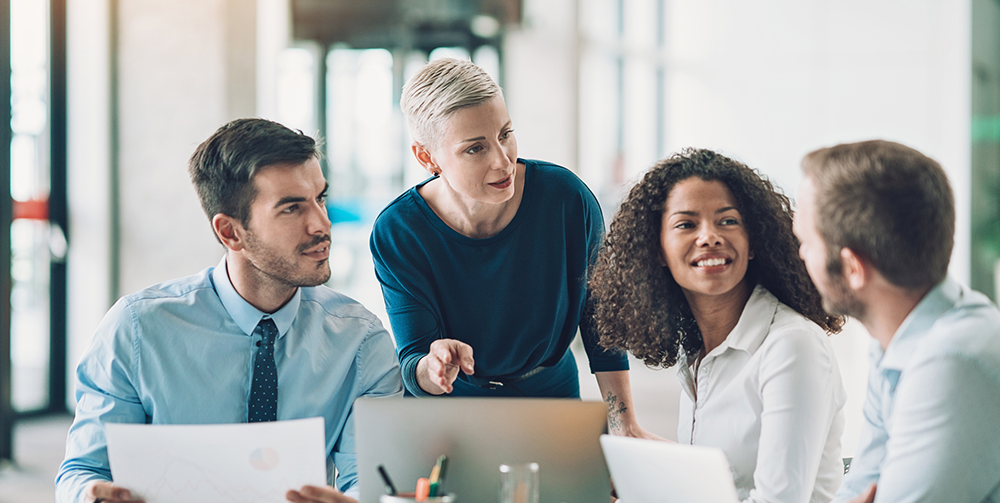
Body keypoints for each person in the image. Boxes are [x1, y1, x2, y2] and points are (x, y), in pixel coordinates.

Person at [55, 118, 403, 503]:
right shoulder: (137, 329)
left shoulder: (360, 340)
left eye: (320, 198)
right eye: (291, 209)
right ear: (231, 232)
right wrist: (91, 496)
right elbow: (84, 471)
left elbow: (370, 479)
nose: (322, 225)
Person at [369, 58, 651, 436]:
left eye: (505, 134)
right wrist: (433, 367)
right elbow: (413, 360)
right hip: (452, 415)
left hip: (552, 396)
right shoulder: (399, 231)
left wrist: (623, 424)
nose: (503, 161)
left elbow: (601, 321)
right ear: (427, 157)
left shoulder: (566, 199)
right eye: (475, 149)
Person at [589, 149, 847, 503]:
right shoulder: (697, 356)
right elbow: (719, 486)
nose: (709, 236)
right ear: (658, 251)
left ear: (753, 242)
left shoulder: (791, 345)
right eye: (686, 224)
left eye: (727, 221)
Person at [794, 140, 1000, 503]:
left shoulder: (952, 363)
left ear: (853, 268)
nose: (800, 255)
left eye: (806, 243)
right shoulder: (896, 340)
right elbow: (861, 488)